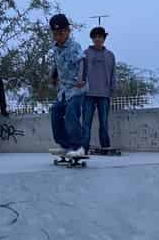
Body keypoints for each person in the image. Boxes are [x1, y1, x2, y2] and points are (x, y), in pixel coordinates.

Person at [49, 14, 87, 157]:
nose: (58, 37)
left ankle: (78, 147)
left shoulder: (73, 46)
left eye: (61, 33)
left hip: (77, 89)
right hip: (64, 91)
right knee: (56, 111)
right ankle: (65, 145)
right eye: (55, 34)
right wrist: (53, 76)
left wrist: (81, 78)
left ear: (68, 32)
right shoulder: (55, 48)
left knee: (71, 114)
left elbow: (83, 62)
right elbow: (56, 64)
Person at [82, 26, 116, 150]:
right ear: (92, 38)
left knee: (104, 123)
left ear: (104, 38)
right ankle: (83, 147)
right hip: (88, 94)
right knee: (86, 123)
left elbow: (113, 73)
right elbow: (81, 72)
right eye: (95, 37)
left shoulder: (110, 55)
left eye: (100, 37)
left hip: (104, 94)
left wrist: (112, 89)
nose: (98, 39)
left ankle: (105, 146)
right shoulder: (85, 53)